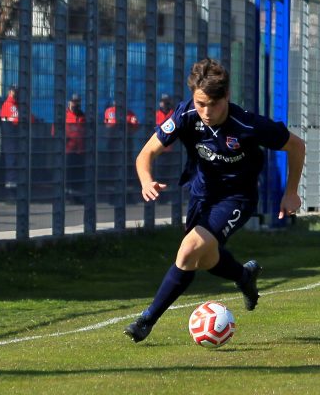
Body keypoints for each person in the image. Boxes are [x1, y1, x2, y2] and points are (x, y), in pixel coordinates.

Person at [124, 58, 306, 343]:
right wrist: (146, 180)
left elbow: (296, 145)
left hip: (237, 198)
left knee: (188, 251)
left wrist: (291, 191)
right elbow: (145, 154)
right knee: (206, 258)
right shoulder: (185, 115)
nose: (206, 112)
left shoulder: (247, 123)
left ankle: (146, 320)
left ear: (227, 97)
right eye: (200, 104)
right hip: (201, 195)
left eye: (213, 104)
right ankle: (243, 276)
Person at [64, 94, 87, 195]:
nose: (76, 104)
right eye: (74, 101)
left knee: (79, 174)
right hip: (68, 151)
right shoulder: (64, 116)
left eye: (78, 102)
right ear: (69, 102)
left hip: (80, 151)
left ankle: (77, 195)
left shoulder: (83, 116)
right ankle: (68, 195)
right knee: (68, 173)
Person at [0, 85, 19, 189]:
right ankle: (11, 191)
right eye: (14, 91)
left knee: (13, 162)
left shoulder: (15, 105)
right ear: (10, 92)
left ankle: (12, 188)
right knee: (11, 163)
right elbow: (16, 120)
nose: (15, 93)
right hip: (11, 140)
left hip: (13, 141)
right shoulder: (9, 105)